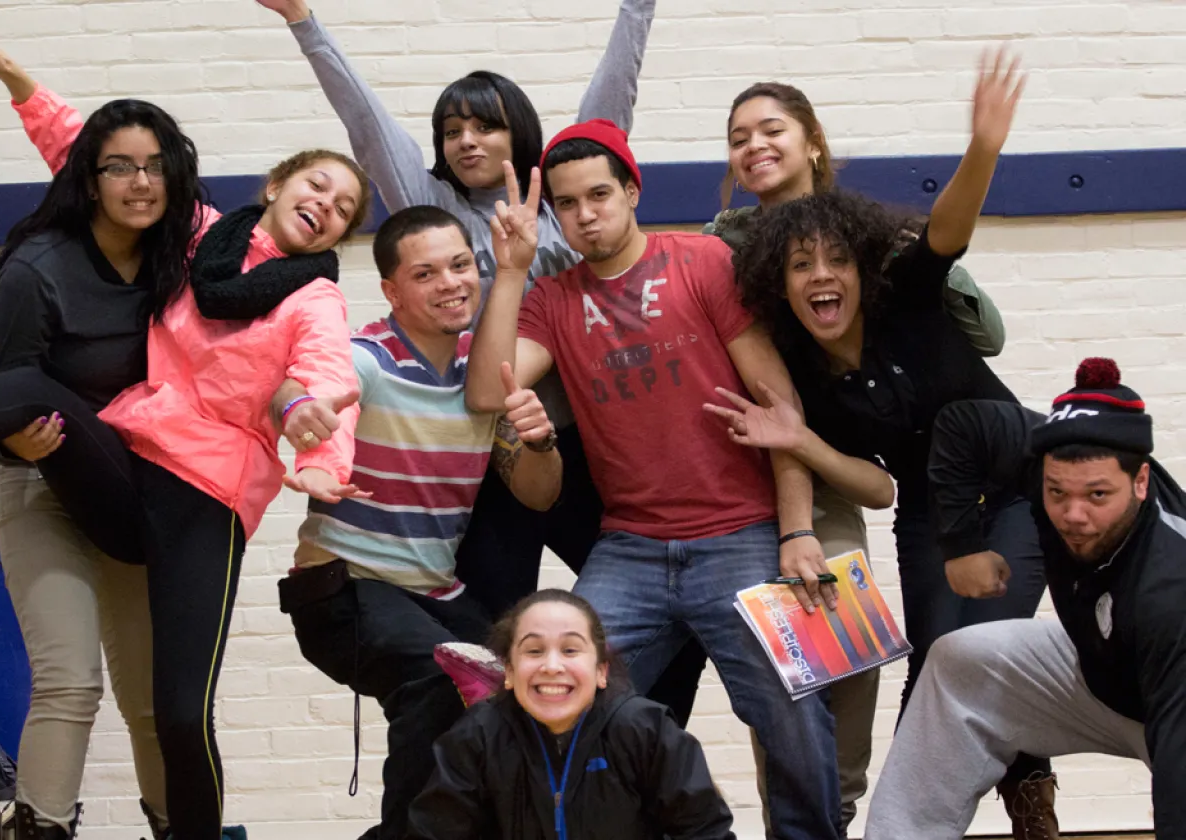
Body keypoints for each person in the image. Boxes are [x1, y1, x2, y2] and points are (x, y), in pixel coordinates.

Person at [0, 14, 370, 836]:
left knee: (176, 710)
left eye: (342, 208)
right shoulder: (198, 239)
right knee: (35, 390)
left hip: (204, 497)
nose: (324, 206)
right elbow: (97, 154)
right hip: (126, 459)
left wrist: (324, 461)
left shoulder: (312, 296)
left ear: (340, 233)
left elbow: (329, 381)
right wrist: (18, 83)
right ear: (275, 185)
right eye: (316, 185)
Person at [464, 121, 842, 838]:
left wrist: (796, 529)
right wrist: (510, 270)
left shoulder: (703, 261)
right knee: (548, 691)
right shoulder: (551, 298)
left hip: (741, 537)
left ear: (632, 192)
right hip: (631, 547)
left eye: (599, 195)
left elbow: (780, 408)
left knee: (794, 711)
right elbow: (487, 392)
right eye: (567, 204)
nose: (585, 215)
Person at [724, 50, 1058, 837]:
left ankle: (1022, 796)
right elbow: (876, 488)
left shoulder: (904, 296)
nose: (821, 276)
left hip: (1024, 480)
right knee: (936, 662)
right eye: (801, 266)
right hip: (935, 510)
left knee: (969, 649)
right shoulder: (799, 371)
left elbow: (946, 232)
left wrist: (983, 149)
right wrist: (800, 440)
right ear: (779, 284)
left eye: (837, 261)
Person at [255, 0, 657, 615]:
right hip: (484, 451)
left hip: (579, 441)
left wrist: (637, 8)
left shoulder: (560, 202)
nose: (466, 140)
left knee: (649, 605)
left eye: (485, 126)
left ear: (518, 133)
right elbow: (367, 122)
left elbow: (611, 102)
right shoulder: (433, 206)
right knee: (490, 628)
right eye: (451, 131)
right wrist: (302, 21)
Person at [272, 205, 562, 840]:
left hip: (434, 594)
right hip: (343, 588)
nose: (450, 283)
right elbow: (299, 387)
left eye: (460, 265)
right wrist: (297, 410)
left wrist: (540, 441)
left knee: (535, 697)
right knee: (437, 681)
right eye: (425, 274)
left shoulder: (483, 370)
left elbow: (538, 496)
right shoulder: (368, 359)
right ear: (392, 291)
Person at [865, 358, 1186, 840]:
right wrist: (961, 546)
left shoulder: (1170, 588)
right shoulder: (1046, 461)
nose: (1073, 515)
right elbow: (961, 425)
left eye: (1098, 496)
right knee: (959, 661)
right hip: (1107, 672)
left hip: (1171, 702)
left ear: (1141, 482)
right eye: (1057, 493)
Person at [407, 589, 736, 840]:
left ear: (601, 672)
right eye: (534, 650)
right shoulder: (476, 736)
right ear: (509, 672)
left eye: (570, 650)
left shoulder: (646, 729)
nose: (552, 666)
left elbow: (705, 832)